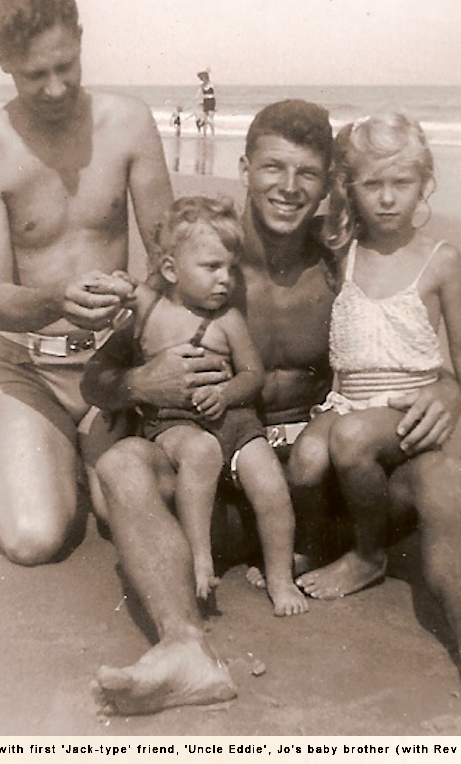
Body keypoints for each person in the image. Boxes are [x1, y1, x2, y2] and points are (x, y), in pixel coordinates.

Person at [82, 100, 461, 718]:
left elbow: (399, 352)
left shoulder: (340, 259)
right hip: (228, 497)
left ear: (327, 184)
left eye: (307, 174)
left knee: (440, 470)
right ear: (244, 168)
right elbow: (98, 378)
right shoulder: (206, 256)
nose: (288, 188)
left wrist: (444, 389)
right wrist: (141, 384)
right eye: (273, 168)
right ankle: (185, 652)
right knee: (125, 464)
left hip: (329, 497)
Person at [0, 0, 174, 566]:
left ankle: (70, 454)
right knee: (36, 537)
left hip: (115, 365)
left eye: (65, 66)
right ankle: (25, 442)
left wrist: (142, 335)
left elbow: (168, 257)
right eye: (34, 74)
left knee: (124, 509)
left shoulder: (128, 123)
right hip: (27, 368)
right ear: (2, 60)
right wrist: (56, 299)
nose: (54, 88)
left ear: (80, 38)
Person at [288, 112, 461, 599]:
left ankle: (369, 555)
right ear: (350, 187)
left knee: (353, 439)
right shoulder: (344, 252)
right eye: (371, 183)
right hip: (345, 402)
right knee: (306, 459)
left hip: (407, 412)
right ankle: (313, 545)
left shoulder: (440, 258)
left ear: (424, 183)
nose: (385, 198)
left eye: (401, 182)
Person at [118, 195, 308, 614]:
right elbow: (123, 298)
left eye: (229, 268)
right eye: (211, 267)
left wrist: (225, 394)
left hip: (234, 419)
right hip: (173, 422)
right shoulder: (150, 311)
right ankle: (200, 560)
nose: (225, 280)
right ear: (170, 269)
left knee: (270, 481)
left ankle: (280, 578)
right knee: (200, 454)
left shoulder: (227, 321)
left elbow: (252, 376)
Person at [196, 70, 216, 136]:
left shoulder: (211, 84)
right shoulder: (202, 86)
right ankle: (204, 133)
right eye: (201, 79)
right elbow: (198, 94)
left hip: (211, 101)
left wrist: (207, 72)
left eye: (202, 78)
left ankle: (212, 133)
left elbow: (212, 86)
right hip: (205, 100)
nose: (202, 80)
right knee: (204, 118)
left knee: (210, 118)